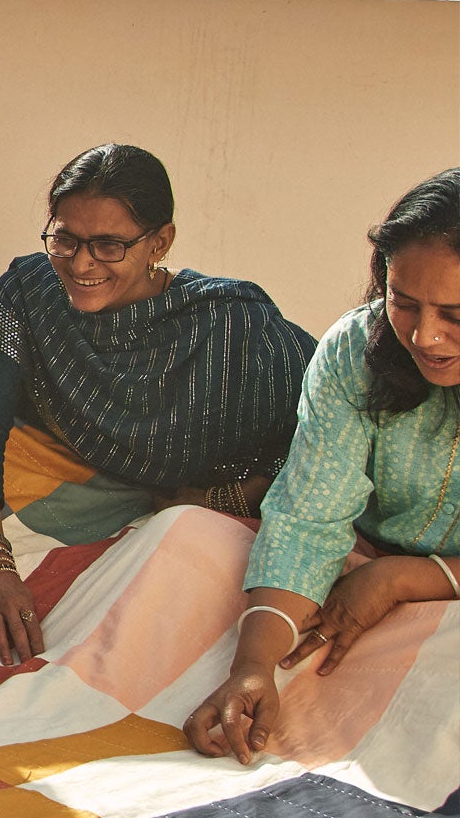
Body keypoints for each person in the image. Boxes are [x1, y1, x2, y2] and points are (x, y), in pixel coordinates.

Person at [0, 144, 316, 665]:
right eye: (65, 239)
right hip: (72, 484)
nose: (80, 264)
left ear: (160, 243)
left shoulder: (231, 324)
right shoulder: (29, 289)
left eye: (108, 246)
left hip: (208, 510)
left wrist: (235, 497)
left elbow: (327, 423)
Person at [187, 167, 460, 764]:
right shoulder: (353, 350)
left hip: (437, 603)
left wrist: (406, 580)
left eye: (456, 316)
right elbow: (308, 519)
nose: (427, 338)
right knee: (181, 540)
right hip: (346, 575)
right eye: (404, 303)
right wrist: (254, 668)